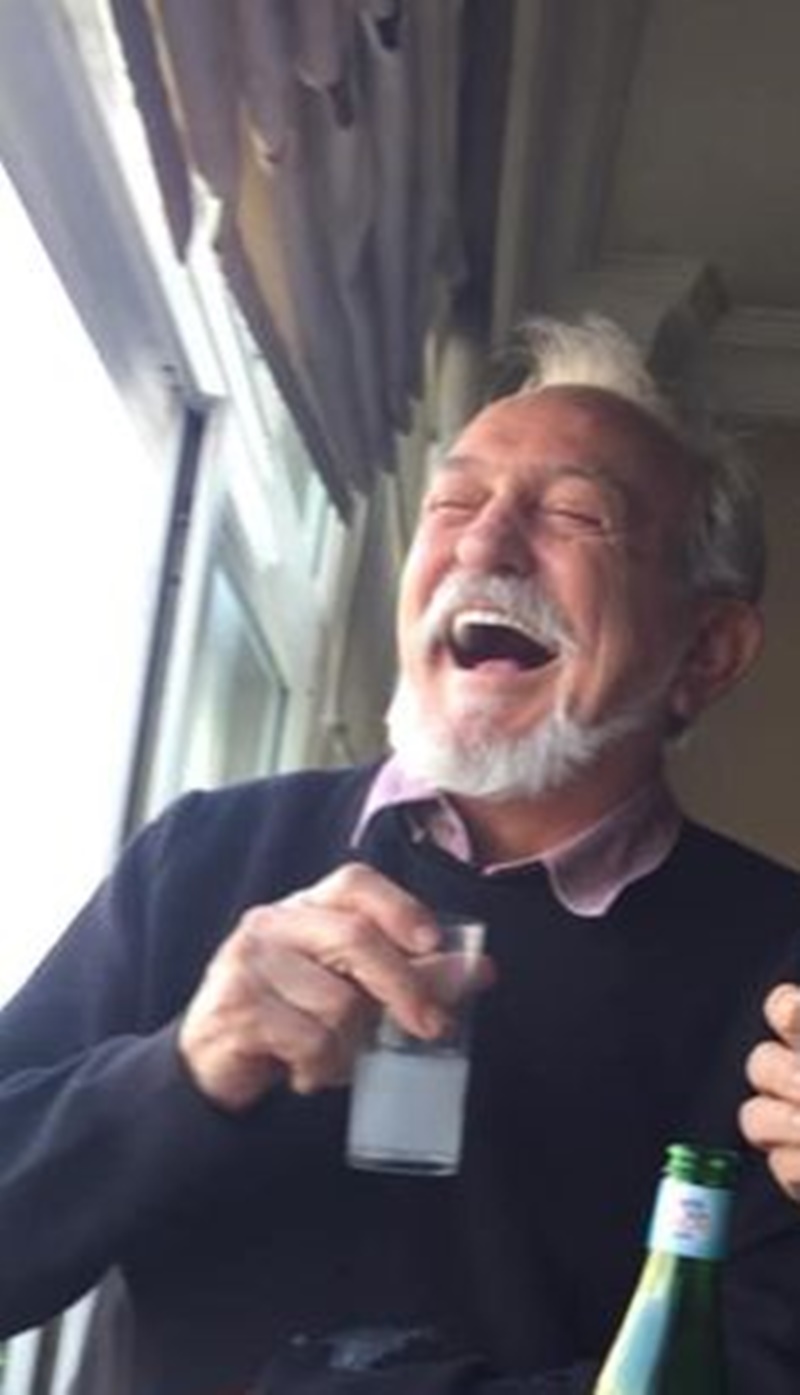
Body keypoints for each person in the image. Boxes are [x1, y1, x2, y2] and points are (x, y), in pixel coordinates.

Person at [0, 315, 799, 1395]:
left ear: (706, 651)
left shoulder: (778, 963)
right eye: (451, 504)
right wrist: (181, 1070)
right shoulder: (208, 850)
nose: (482, 547)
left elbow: (753, 1368)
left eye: (574, 514)